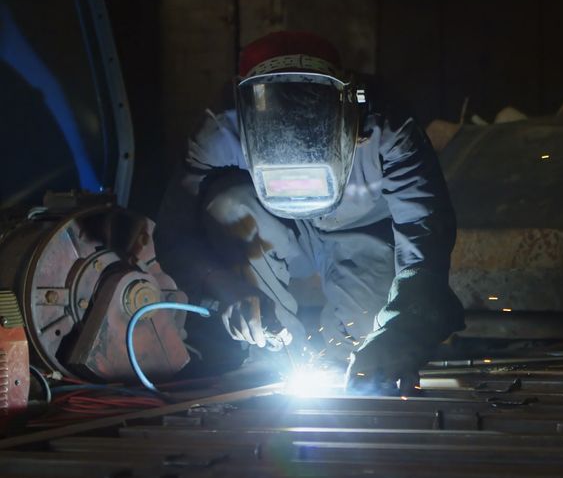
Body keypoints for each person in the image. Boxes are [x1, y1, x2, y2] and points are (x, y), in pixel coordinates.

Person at [156, 31, 463, 392]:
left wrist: (403, 329)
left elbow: (425, 241)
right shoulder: (220, 131)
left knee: (368, 351)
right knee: (227, 203)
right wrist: (225, 286)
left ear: (347, 105)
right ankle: (271, 356)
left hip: (361, 237)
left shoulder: (386, 126)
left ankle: (351, 352)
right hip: (276, 238)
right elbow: (174, 233)